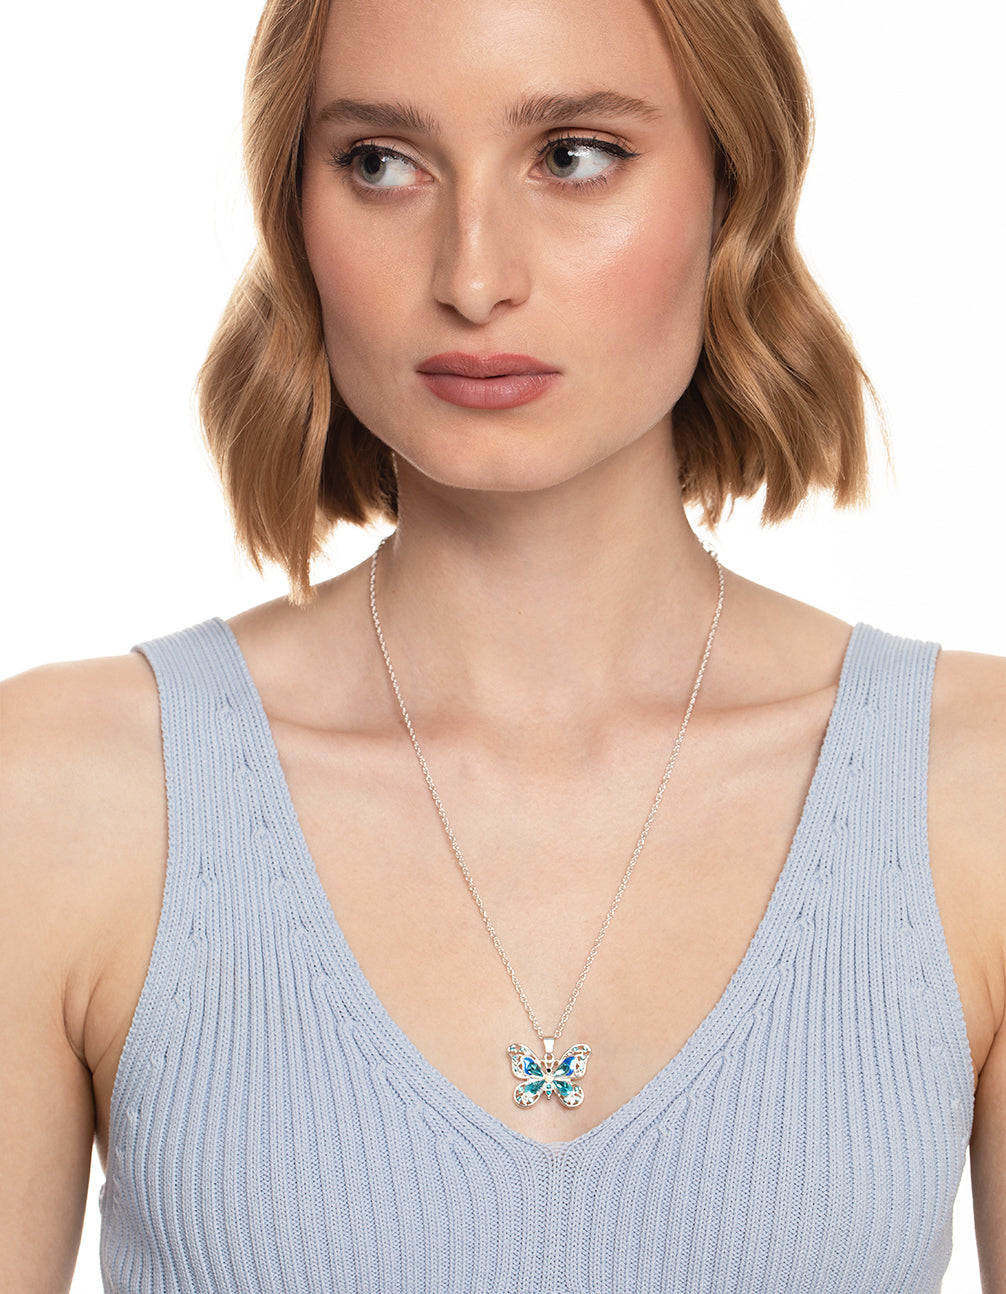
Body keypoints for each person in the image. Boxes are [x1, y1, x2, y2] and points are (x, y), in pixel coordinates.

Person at [2, 0, 1003, 1289]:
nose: (473, 279)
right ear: (293, 214)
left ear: (735, 190)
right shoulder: (67, 801)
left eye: (575, 155)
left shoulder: (971, 792)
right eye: (381, 163)